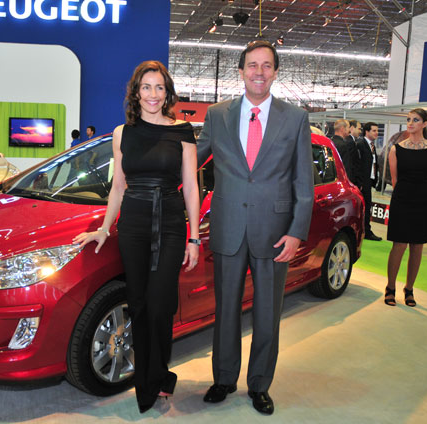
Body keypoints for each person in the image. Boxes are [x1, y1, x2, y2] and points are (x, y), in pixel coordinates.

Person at [73, 60, 200, 414]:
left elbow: (191, 186)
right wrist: (104, 227)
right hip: (133, 224)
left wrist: (194, 237)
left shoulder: (183, 132)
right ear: (136, 92)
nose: (153, 94)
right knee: (140, 304)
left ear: (167, 93)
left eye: (159, 87)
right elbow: (118, 186)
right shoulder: (122, 134)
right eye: (146, 87)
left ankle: (158, 373)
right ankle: (149, 381)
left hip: (170, 223)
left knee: (161, 305)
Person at [197, 40, 313, 415]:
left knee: (267, 315)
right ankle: (224, 378)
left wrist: (296, 231)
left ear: (275, 72)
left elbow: (303, 181)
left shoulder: (294, 118)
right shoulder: (218, 115)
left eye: (266, 65)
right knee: (226, 311)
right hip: (228, 227)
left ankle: (259, 384)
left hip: (275, 232)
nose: (258, 72)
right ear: (241, 71)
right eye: (252, 65)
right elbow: (192, 158)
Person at [385, 109, 427, 307]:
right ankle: (390, 287)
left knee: (417, 246)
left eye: (415, 120)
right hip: (402, 199)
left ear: (424, 124)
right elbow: (394, 179)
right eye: (408, 120)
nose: (410, 123)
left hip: (424, 200)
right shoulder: (396, 149)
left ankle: (409, 289)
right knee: (399, 245)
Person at [355, 122, 382, 241]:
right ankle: (365, 231)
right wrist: (359, 182)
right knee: (364, 207)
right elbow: (357, 165)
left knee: (367, 207)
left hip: (369, 181)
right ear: (367, 132)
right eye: (374, 131)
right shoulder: (361, 144)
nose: (376, 133)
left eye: (377, 131)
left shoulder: (371, 145)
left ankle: (365, 230)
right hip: (362, 182)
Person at [332, 119, 358, 184]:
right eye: (348, 127)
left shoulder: (330, 142)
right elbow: (346, 167)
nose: (349, 130)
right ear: (342, 129)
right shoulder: (343, 145)